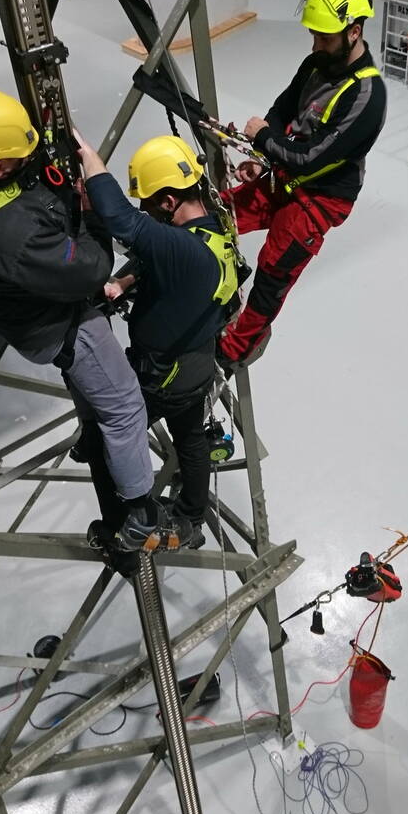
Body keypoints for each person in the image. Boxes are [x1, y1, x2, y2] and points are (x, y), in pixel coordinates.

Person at [0, 88, 191, 554]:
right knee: (125, 405)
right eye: (20, 156)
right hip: (60, 323)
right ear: (0, 167)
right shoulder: (10, 236)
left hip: (23, 308)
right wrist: (91, 216)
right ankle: (141, 514)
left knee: (100, 399)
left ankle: (93, 436)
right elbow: (89, 270)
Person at [74, 131, 242, 552]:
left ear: (168, 201)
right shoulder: (212, 225)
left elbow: (123, 222)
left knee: (110, 435)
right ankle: (190, 519)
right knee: (190, 440)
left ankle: (130, 524)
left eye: (149, 203)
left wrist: (91, 162)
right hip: (197, 362)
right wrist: (126, 280)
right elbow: (157, 256)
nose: (145, 210)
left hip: (164, 375)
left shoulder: (182, 249)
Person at [218, 0, 387, 369]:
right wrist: (266, 156)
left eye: (324, 37)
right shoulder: (316, 64)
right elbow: (280, 110)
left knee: (272, 274)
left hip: (318, 201)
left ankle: (235, 351)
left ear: (354, 31)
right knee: (217, 216)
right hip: (284, 177)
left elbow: (313, 157)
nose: (315, 44)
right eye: (313, 34)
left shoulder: (367, 95)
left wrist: (264, 142)